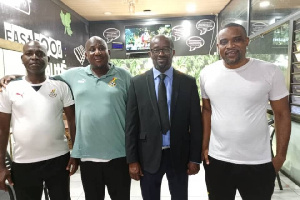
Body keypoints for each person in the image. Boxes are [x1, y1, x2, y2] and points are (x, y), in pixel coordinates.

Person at [0, 36, 132, 200]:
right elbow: (39, 76)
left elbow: (134, 114)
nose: (97, 52)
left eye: (101, 48)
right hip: (88, 157)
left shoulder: (125, 76)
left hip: (118, 155)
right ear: (85, 55)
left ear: (108, 52)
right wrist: (15, 76)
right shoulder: (73, 75)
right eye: (92, 49)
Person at [200, 23, 291, 200]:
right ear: (218, 46)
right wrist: (204, 146)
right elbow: (207, 111)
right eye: (224, 42)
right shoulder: (207, 73)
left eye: (237, 40)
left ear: (247, 42)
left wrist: (280, 157)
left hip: (257, 162)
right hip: (217, 160)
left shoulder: (269, 71)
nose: (230, 46)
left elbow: (282, 115)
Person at [125, 34, 203, 200]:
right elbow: (131, 125)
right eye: (156, 50)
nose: (161, 54)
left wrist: (195, 158)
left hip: (179, 155)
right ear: (150, 54)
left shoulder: (187, 83)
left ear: (172, 52)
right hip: (148, 156)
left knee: (180, 196)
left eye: (165, 49)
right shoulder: (137, 83)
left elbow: (196, 124)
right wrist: (132, 160)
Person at [0, 40, 78, 200]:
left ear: (48, 59)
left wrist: (76, 154)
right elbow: (3, 130)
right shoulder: (10, 88)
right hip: (23, 162)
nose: (34, 57)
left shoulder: (60, 86)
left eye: (40, 54)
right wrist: (1, 165)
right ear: (22, 59)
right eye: (29, 54)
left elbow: (73, 122)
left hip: (58, 160)